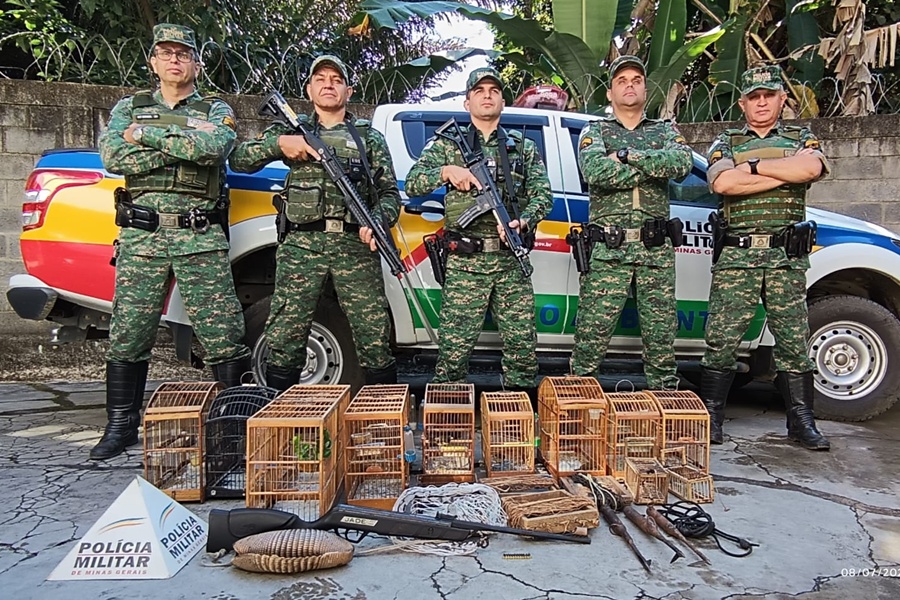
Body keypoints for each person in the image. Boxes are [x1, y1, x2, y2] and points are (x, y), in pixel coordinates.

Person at [94, 24, 250, 460]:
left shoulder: (214, 108)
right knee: (128, 334)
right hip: (142, 235)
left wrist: (145, 137)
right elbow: (113, 156)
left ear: (196, 63)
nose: (175, 60)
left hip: (198, 234)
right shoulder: (130, 106)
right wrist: (181, 143)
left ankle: (231, 427)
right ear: (154, 62)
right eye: (166, 53)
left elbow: (214, 147)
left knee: (223, 335)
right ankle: (121, 425)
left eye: (183, 53)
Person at [230, 55, 400, 391]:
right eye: (320, 78)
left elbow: (389, 193)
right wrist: (279, 144)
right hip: (301, 246)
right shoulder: (291, 130)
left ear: (348, 91)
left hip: (354, 245)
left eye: (337, 79)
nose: (328, 84)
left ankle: (383, 417)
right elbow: (239, 159)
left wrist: (378, 221)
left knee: (374, 332)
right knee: (286, 332)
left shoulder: (369, 138)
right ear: (309, 89)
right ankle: (279, 417)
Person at [701, 65, 830, 450]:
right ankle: (711, 417)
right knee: (721, 338)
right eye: (754, 96)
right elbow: (723, 182)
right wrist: (785, 173)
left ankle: (801, 422)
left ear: (781, 99)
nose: (761, 102)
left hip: (784, 257)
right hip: (738, 257)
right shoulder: (727, 140)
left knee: (793, 340)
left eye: (768, 96)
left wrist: (754, 168)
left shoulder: (800, 137)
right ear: (743, 102)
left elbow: (812, 166)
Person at [405, 67, 553, 401]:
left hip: (509, 260)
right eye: (479, 90)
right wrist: (447, 171)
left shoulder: (521, 147)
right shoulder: (447, 144)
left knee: (522, 352)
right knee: (453, 353)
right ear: (467, 100)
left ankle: (516, 425)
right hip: (465, 262)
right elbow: (413, 183)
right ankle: (446, 425)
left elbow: (545, 196)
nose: (487, 95)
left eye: (494, 90)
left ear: (502, 99)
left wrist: (524, 220)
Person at [571, 56, 692, 390]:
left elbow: (681, 162)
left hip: (655, 249)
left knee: (662, 335)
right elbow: (595, 171)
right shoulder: (595, 131)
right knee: (592, 334)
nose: (629, 85)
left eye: (636, 79)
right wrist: (655, 165)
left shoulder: (664, 130)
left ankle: (666, 406)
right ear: (610, 93)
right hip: (610, 248)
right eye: (621, 80)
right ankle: (577, 408)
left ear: (645, 88)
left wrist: (626, 156)